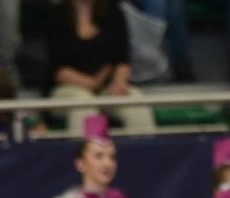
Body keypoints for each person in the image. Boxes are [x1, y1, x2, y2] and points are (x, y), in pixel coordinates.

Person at [47, 0, 155, 136]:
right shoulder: (56, 15)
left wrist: (119, 82)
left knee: (136, 103)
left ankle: (143, 154)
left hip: (108, 86)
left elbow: (122, 59)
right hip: (69, 87)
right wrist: (92, 83)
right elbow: (57, 69)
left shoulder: (114, 11)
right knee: (84, 104)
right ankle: (90, 154)